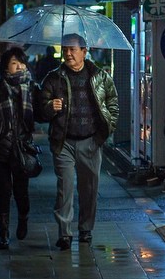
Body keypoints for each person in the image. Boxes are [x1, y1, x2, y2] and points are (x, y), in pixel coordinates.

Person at [39, 33, 119, 250]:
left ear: (84, 51)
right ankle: (64, 233)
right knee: (64, 188)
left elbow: (112, 102)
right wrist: (49, 107)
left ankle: (86, 229)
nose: (68, 53)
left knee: (89, 188)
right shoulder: (53, 78)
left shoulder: (100, 76)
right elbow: (40, 109)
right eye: (65, 49)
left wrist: (106, 130)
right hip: (63, 141)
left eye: (73, 49)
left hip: (91, 141)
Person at [0, 47, 40, 250]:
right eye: (14, 63)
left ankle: (23, 217)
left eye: (21, 62)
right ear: (6, 66)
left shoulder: (31, 88)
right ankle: (3, 233)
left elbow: (42, 114)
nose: (19, 66)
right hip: (1, 148)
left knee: (21, 191)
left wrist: (53, 106)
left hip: (23, 148)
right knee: (4, 190)